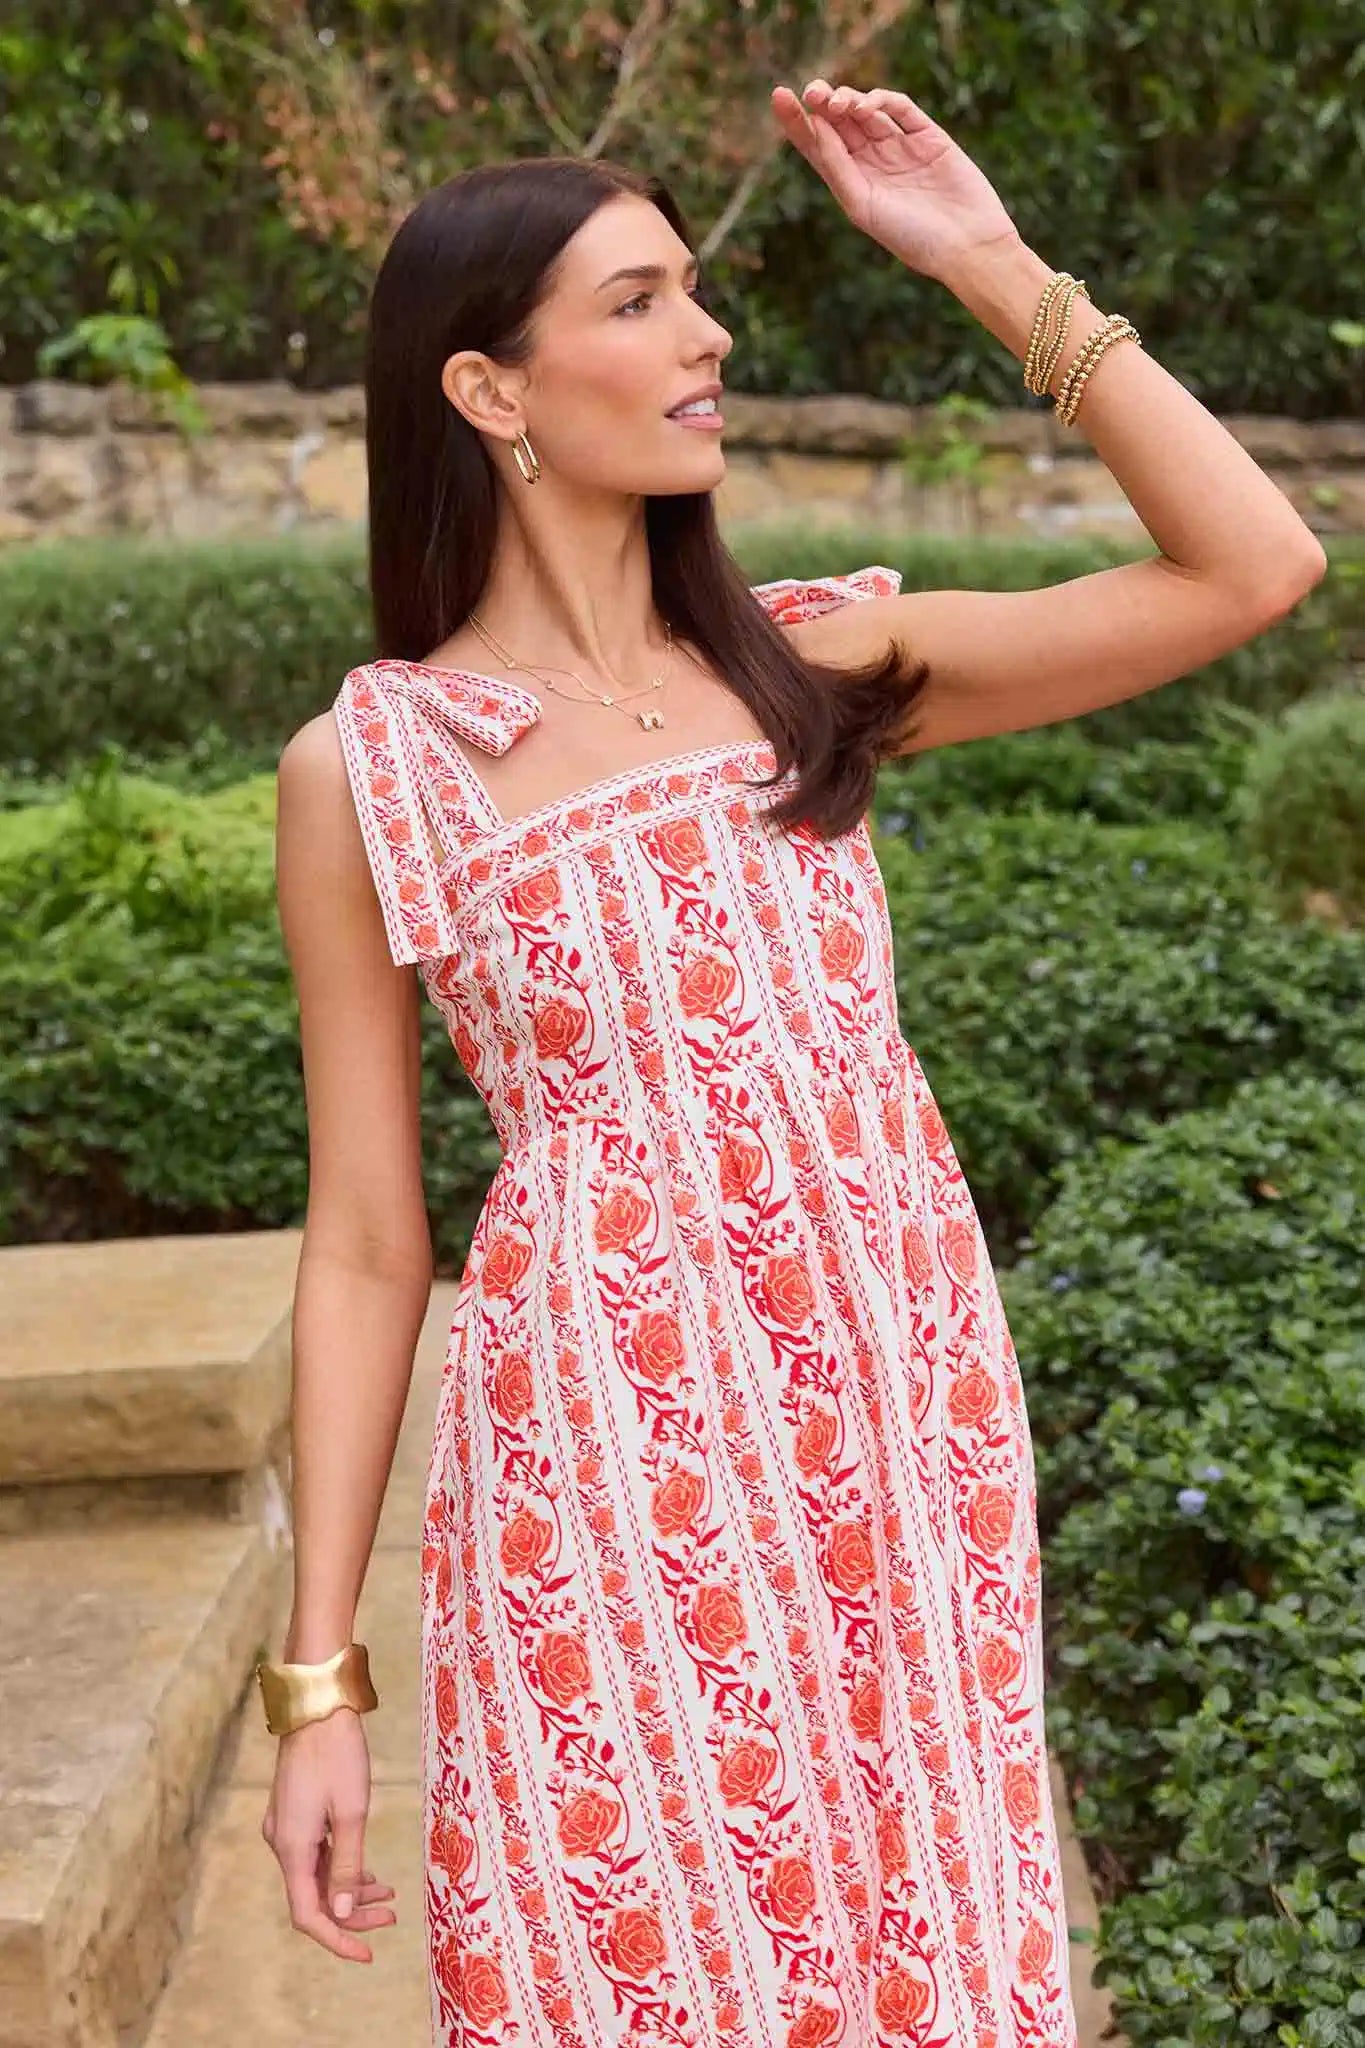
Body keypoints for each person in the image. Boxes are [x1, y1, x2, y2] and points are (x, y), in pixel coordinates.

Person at [261, 75, 1326, 2048]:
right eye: (641, 300)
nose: (707, 339)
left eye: (696, 294)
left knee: (920, 1926)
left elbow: (1249, 568)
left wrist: (987, 265)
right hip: (602, 1448)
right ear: (490, 391)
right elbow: (359, 1242)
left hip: (890, 1410)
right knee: (655, 1958)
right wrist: (316, 1680)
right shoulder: (370, 770)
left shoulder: (803, 667)